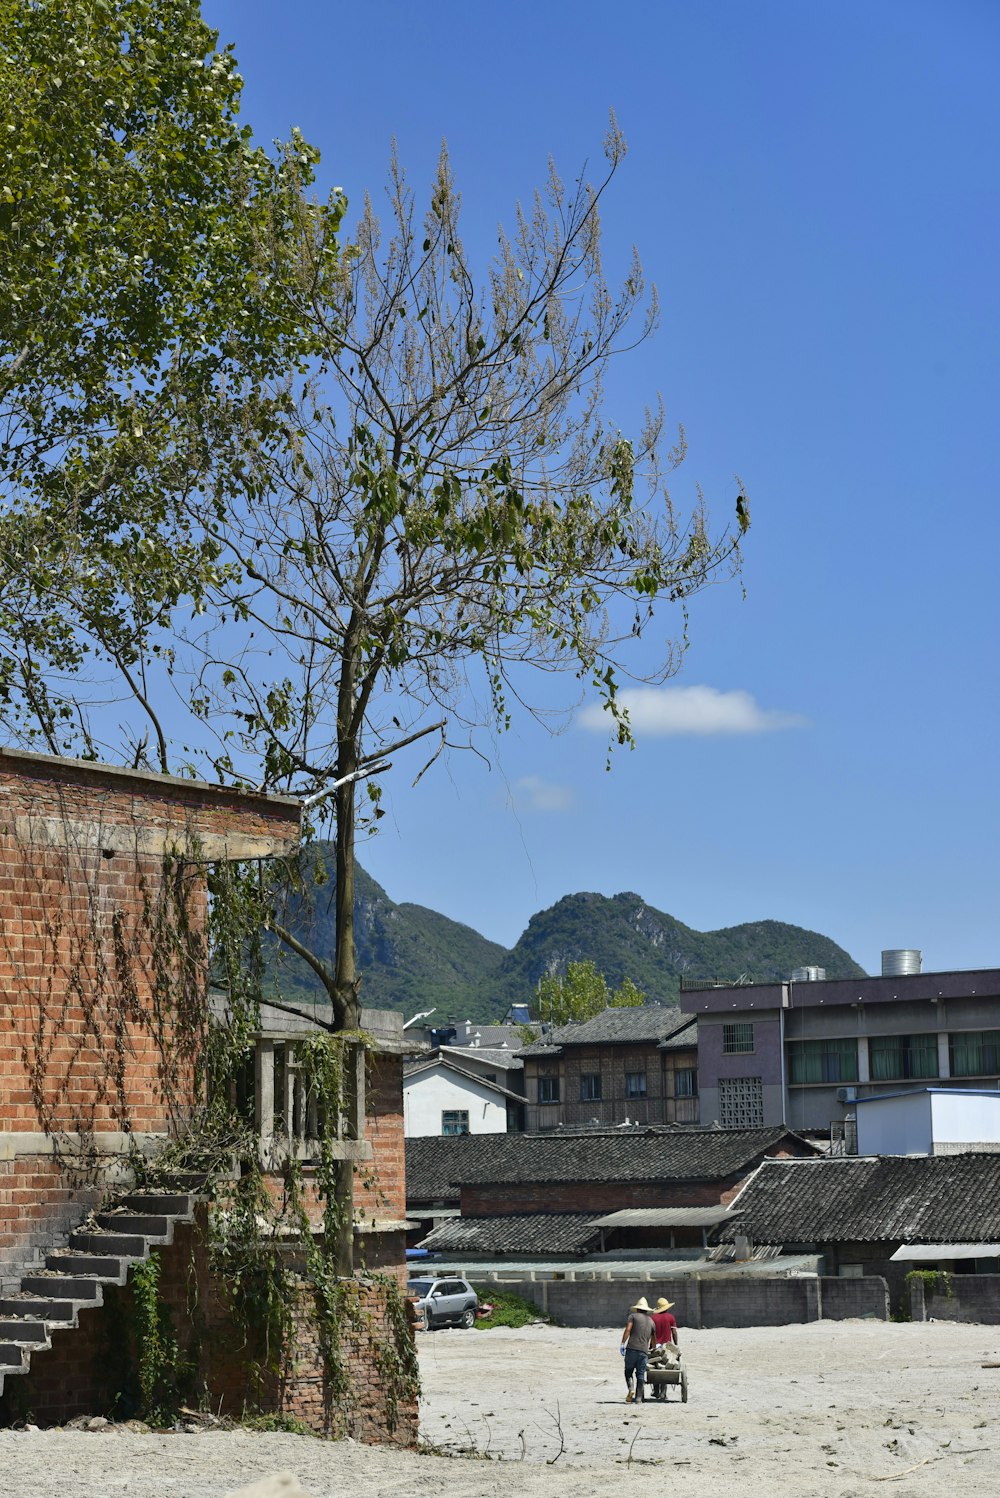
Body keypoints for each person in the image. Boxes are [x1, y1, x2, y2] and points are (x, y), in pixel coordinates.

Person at [619, 1295, 656, 1403]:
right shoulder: (651, 1321)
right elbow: (654, 1339)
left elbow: (628, 1329)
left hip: (631, 1349)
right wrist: (652, 1349)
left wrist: (622, 1343)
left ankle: (631, 1389)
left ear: (637, 1308)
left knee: (628, 1372)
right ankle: (639, 1398)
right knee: (640, 1374)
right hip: (643, 1352)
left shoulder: (633, 1316)